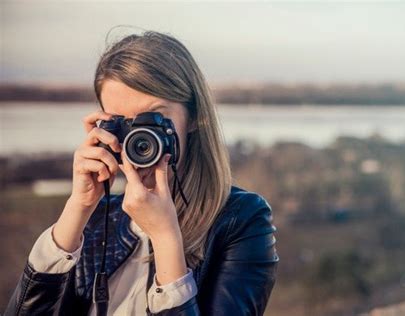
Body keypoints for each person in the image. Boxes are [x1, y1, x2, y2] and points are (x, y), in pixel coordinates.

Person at [5, 30, 279, 315]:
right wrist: (77, 209)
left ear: (197, 116)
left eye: (154, 118)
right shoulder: (99, 218)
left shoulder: (241, 220)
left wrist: (165, 237)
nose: (139, 136)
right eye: (122, 122)